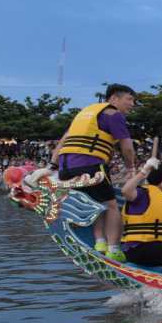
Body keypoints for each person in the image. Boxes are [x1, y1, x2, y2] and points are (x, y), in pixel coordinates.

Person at [51, 84, 138, 258]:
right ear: (114, 98)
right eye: (129, 99)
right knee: (112, 206)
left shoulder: (83, 115)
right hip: (90, 166)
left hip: (65, 169)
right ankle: (113, 249)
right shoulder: (114, 114)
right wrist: (131, 168)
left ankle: (99, 243)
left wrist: (52, 166)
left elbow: (61, 143)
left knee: (95, 203)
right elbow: (127, 147)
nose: (132, 104)